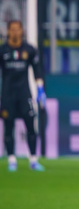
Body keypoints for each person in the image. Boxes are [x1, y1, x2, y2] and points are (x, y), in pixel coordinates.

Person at [0, 20, 46, 172]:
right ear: (8, 32)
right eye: (12, 29)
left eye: (17, 29)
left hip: (24, 94)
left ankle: (33, 159)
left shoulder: (29, 50)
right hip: (7, 95)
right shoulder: (2, 50)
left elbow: (37, 71)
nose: (14, 32)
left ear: (22, 31)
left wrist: (40, 90)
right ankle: (12, 160)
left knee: (31, 126)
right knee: (8, 127)